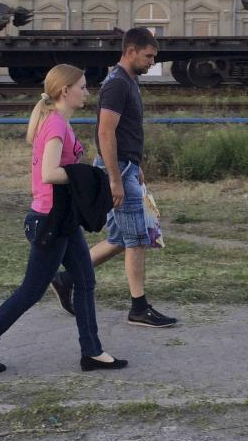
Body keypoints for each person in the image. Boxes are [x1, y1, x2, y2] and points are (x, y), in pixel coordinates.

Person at [0, 64, 127, 374]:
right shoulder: (55, 126)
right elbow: (49, 174)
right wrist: (87, 175)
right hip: (50, 219)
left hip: (61, 217)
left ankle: (91, 352)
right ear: (65, 91)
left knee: (85, 280)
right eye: (81, 86)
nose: (86, 92)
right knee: (31, 291)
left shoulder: (59, 123)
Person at [50, 28, 178, 328]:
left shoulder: (130, 81)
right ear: (131, 50)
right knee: (137, 239)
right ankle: (139, 308)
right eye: (148, 56)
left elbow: (125, 131)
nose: (151, 62)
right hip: (116, 169)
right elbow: (105, 132)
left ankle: (65, 278)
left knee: (121, 238)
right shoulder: (117, 84)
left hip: (125, 166)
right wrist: (115, 178)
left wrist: (136, 165)